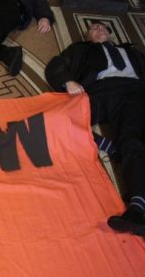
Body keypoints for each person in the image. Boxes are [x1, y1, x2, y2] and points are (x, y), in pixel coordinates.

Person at [45, 21, 145, 236]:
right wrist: (68, 81)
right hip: (98, 91)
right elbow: (56, 65)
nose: (98, 30)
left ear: (110, 34)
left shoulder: (132, 51)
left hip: (133, 92)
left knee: (132, 139)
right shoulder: (80, 49)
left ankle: (138, 208)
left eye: (102, 28)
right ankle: (108, 145)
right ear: (87, 36)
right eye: (93, 28)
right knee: (56, 121)